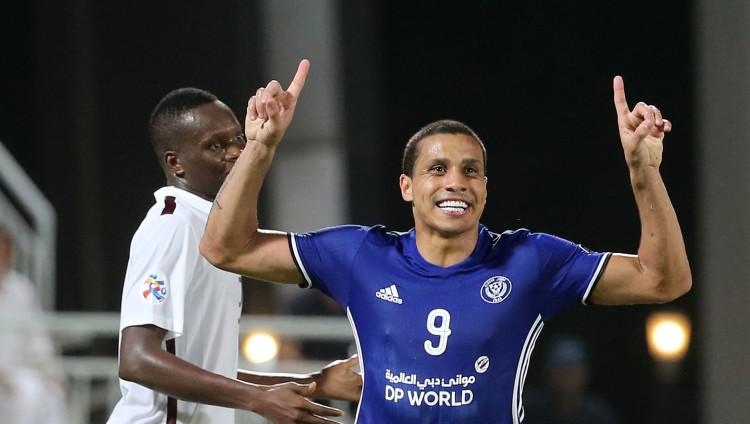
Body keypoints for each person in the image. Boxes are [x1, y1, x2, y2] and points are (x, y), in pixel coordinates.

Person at [199, 60, 691, 423]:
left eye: (470, 171)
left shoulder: (530, 260)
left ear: (484, 189)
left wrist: (643, 171)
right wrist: (259, 149)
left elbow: (663, 281)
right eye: (437, 169)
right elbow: (227, 248)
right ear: (406, 188)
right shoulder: (361, 256)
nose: (455, 182)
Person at [107, 87, 362, 424]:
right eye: (215, 146)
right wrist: (257, 400)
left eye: (237, 139)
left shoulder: (213, 229)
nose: (235, 152)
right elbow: (137, 358)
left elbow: (211, 371)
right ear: (175, 162)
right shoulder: (173, 225)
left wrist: (315, 383)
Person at [0, 226, 67, 423]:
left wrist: (52, 374)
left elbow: (38, 341)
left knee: (50, 394)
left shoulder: (21, 289)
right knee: (28, 393)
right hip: (6, 377)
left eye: (5, 251)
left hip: (19, 373)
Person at [523, 334, 622, 424]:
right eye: (560, 366)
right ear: (546, 371)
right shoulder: (524, 409)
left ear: (585, 373)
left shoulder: (600, 416)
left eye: (573, 367)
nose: (567, 374)